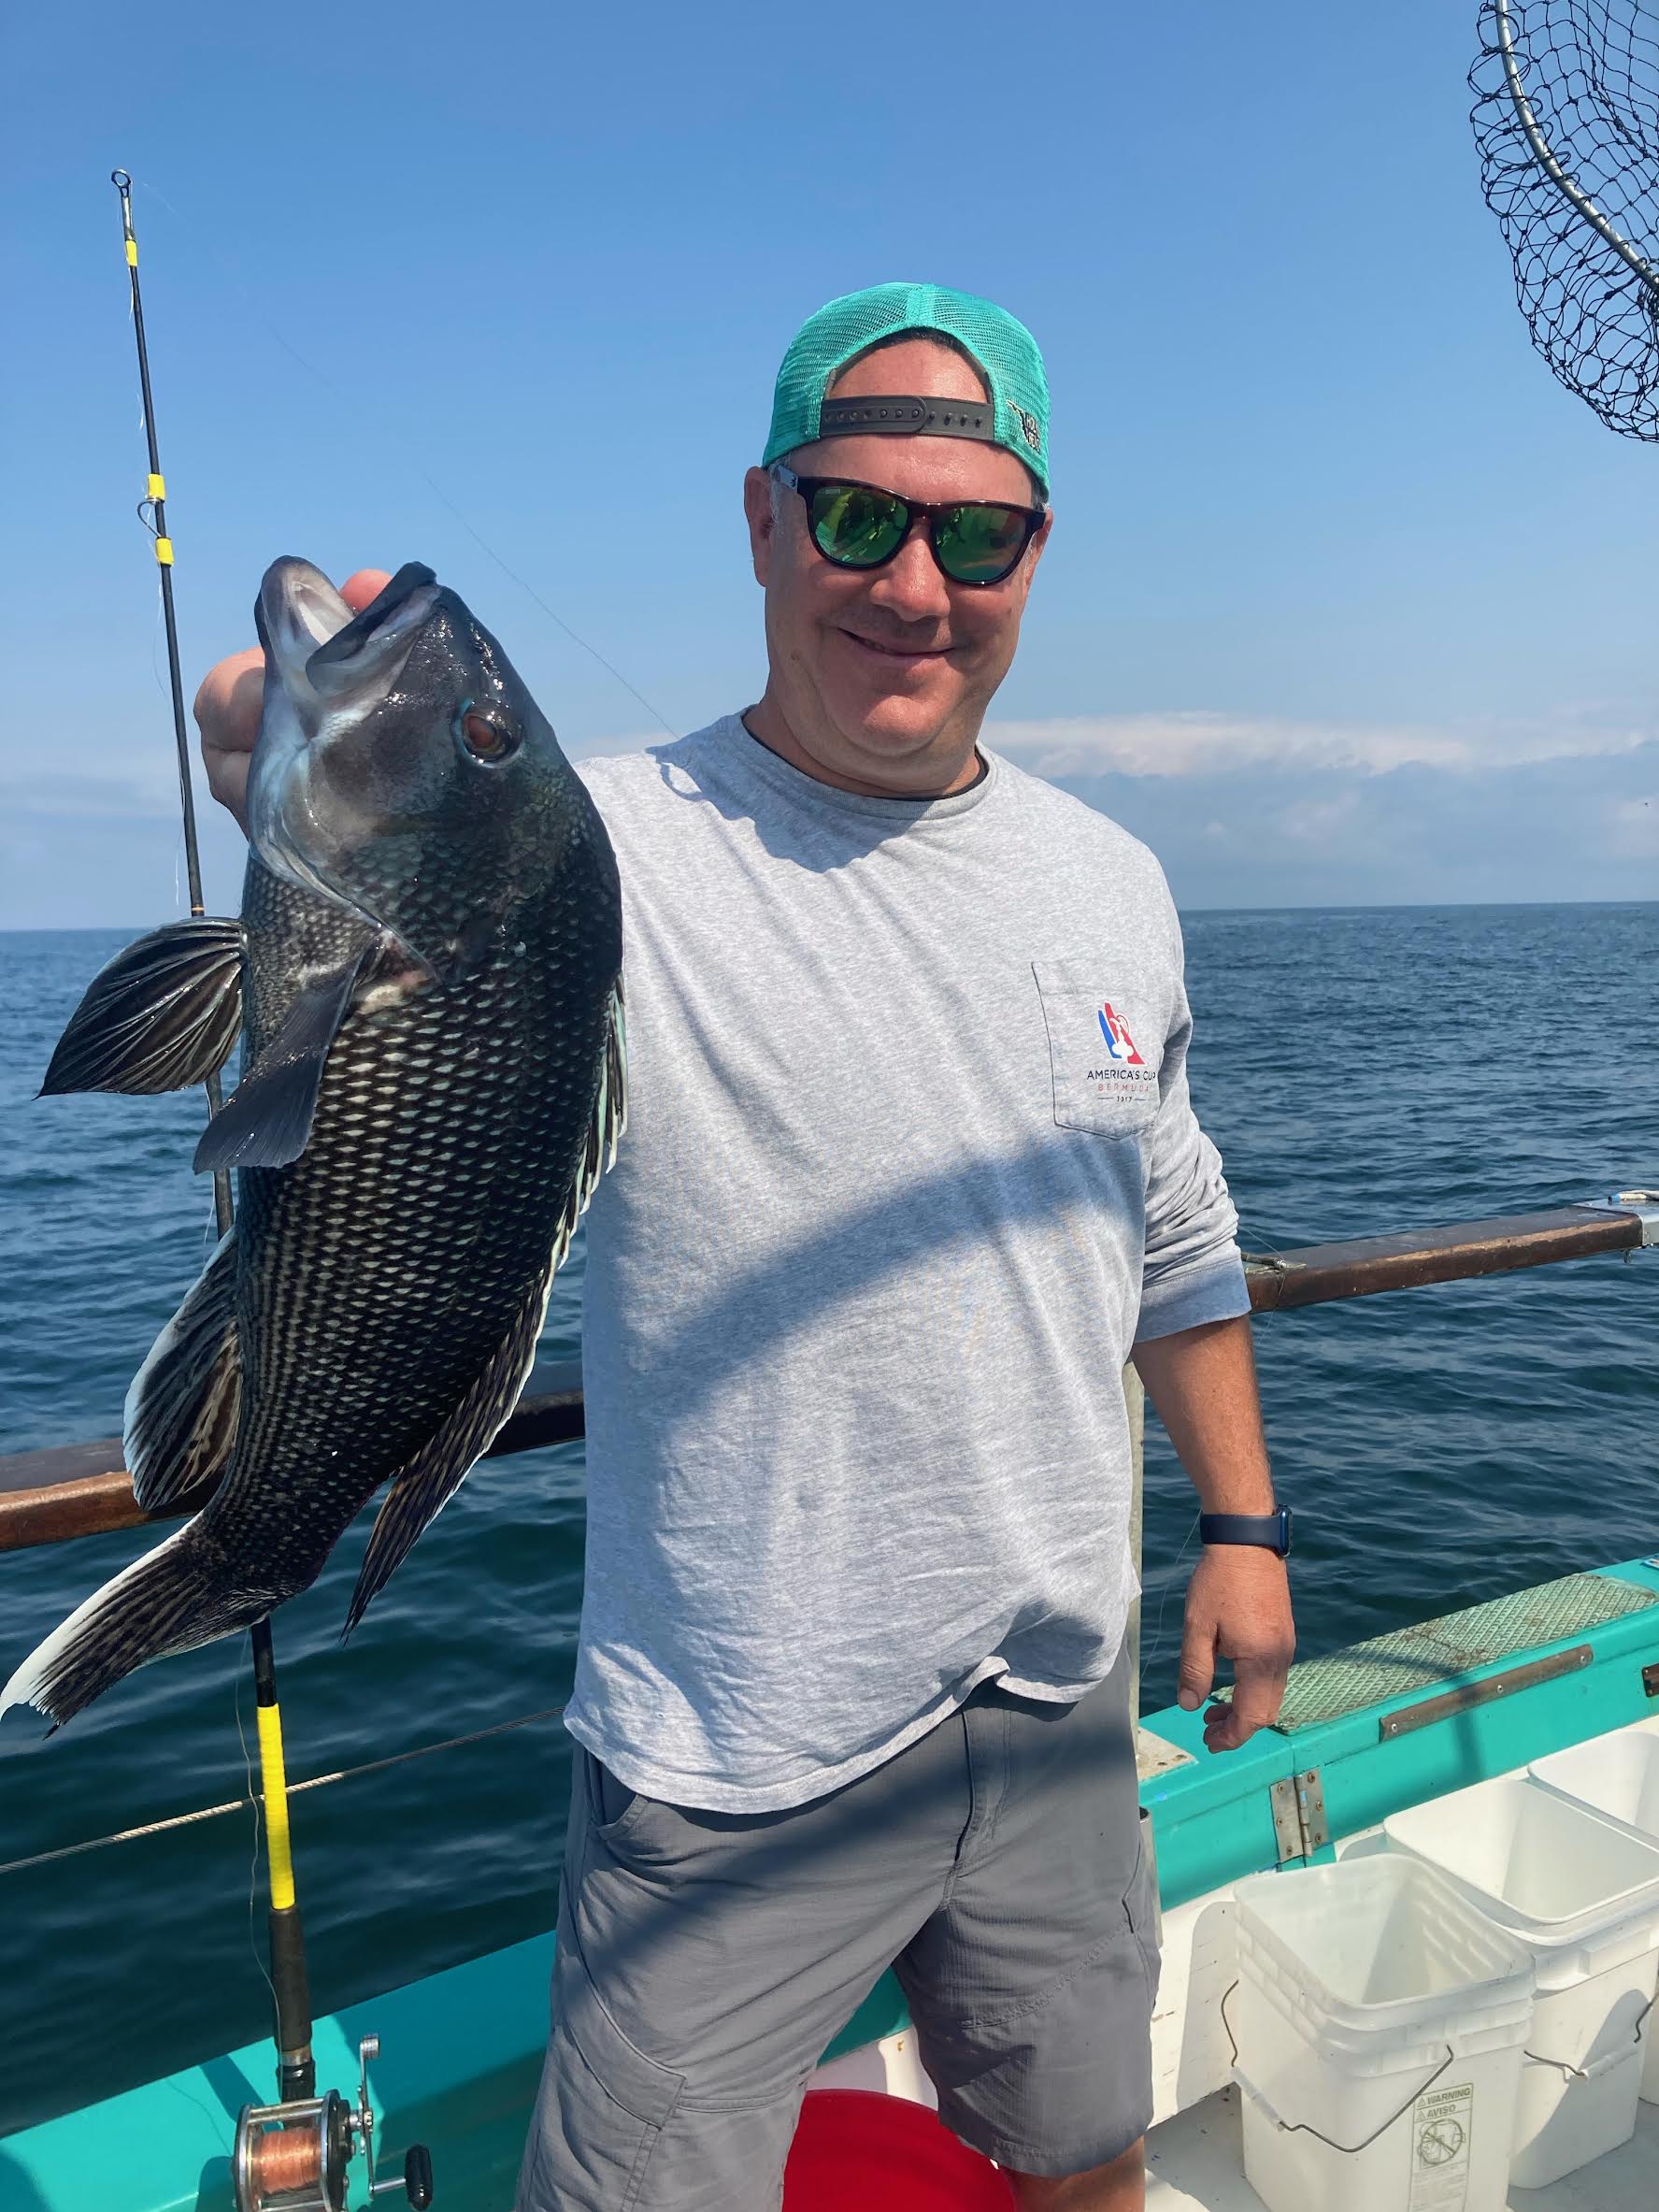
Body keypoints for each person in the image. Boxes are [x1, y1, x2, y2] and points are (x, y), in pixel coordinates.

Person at [194, 281, 1296, 2212]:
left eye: (978, 531)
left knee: (1083, 2155)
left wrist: (1245, 1528)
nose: (916, 583)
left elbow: (1175, 1223)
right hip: (723, 1747)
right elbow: (407, 914)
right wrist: (284, 784)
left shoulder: (1113, 881)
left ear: (1035, 554)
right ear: (768, 522)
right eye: (862, 516)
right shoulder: (595, 851)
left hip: (1059, 1696)